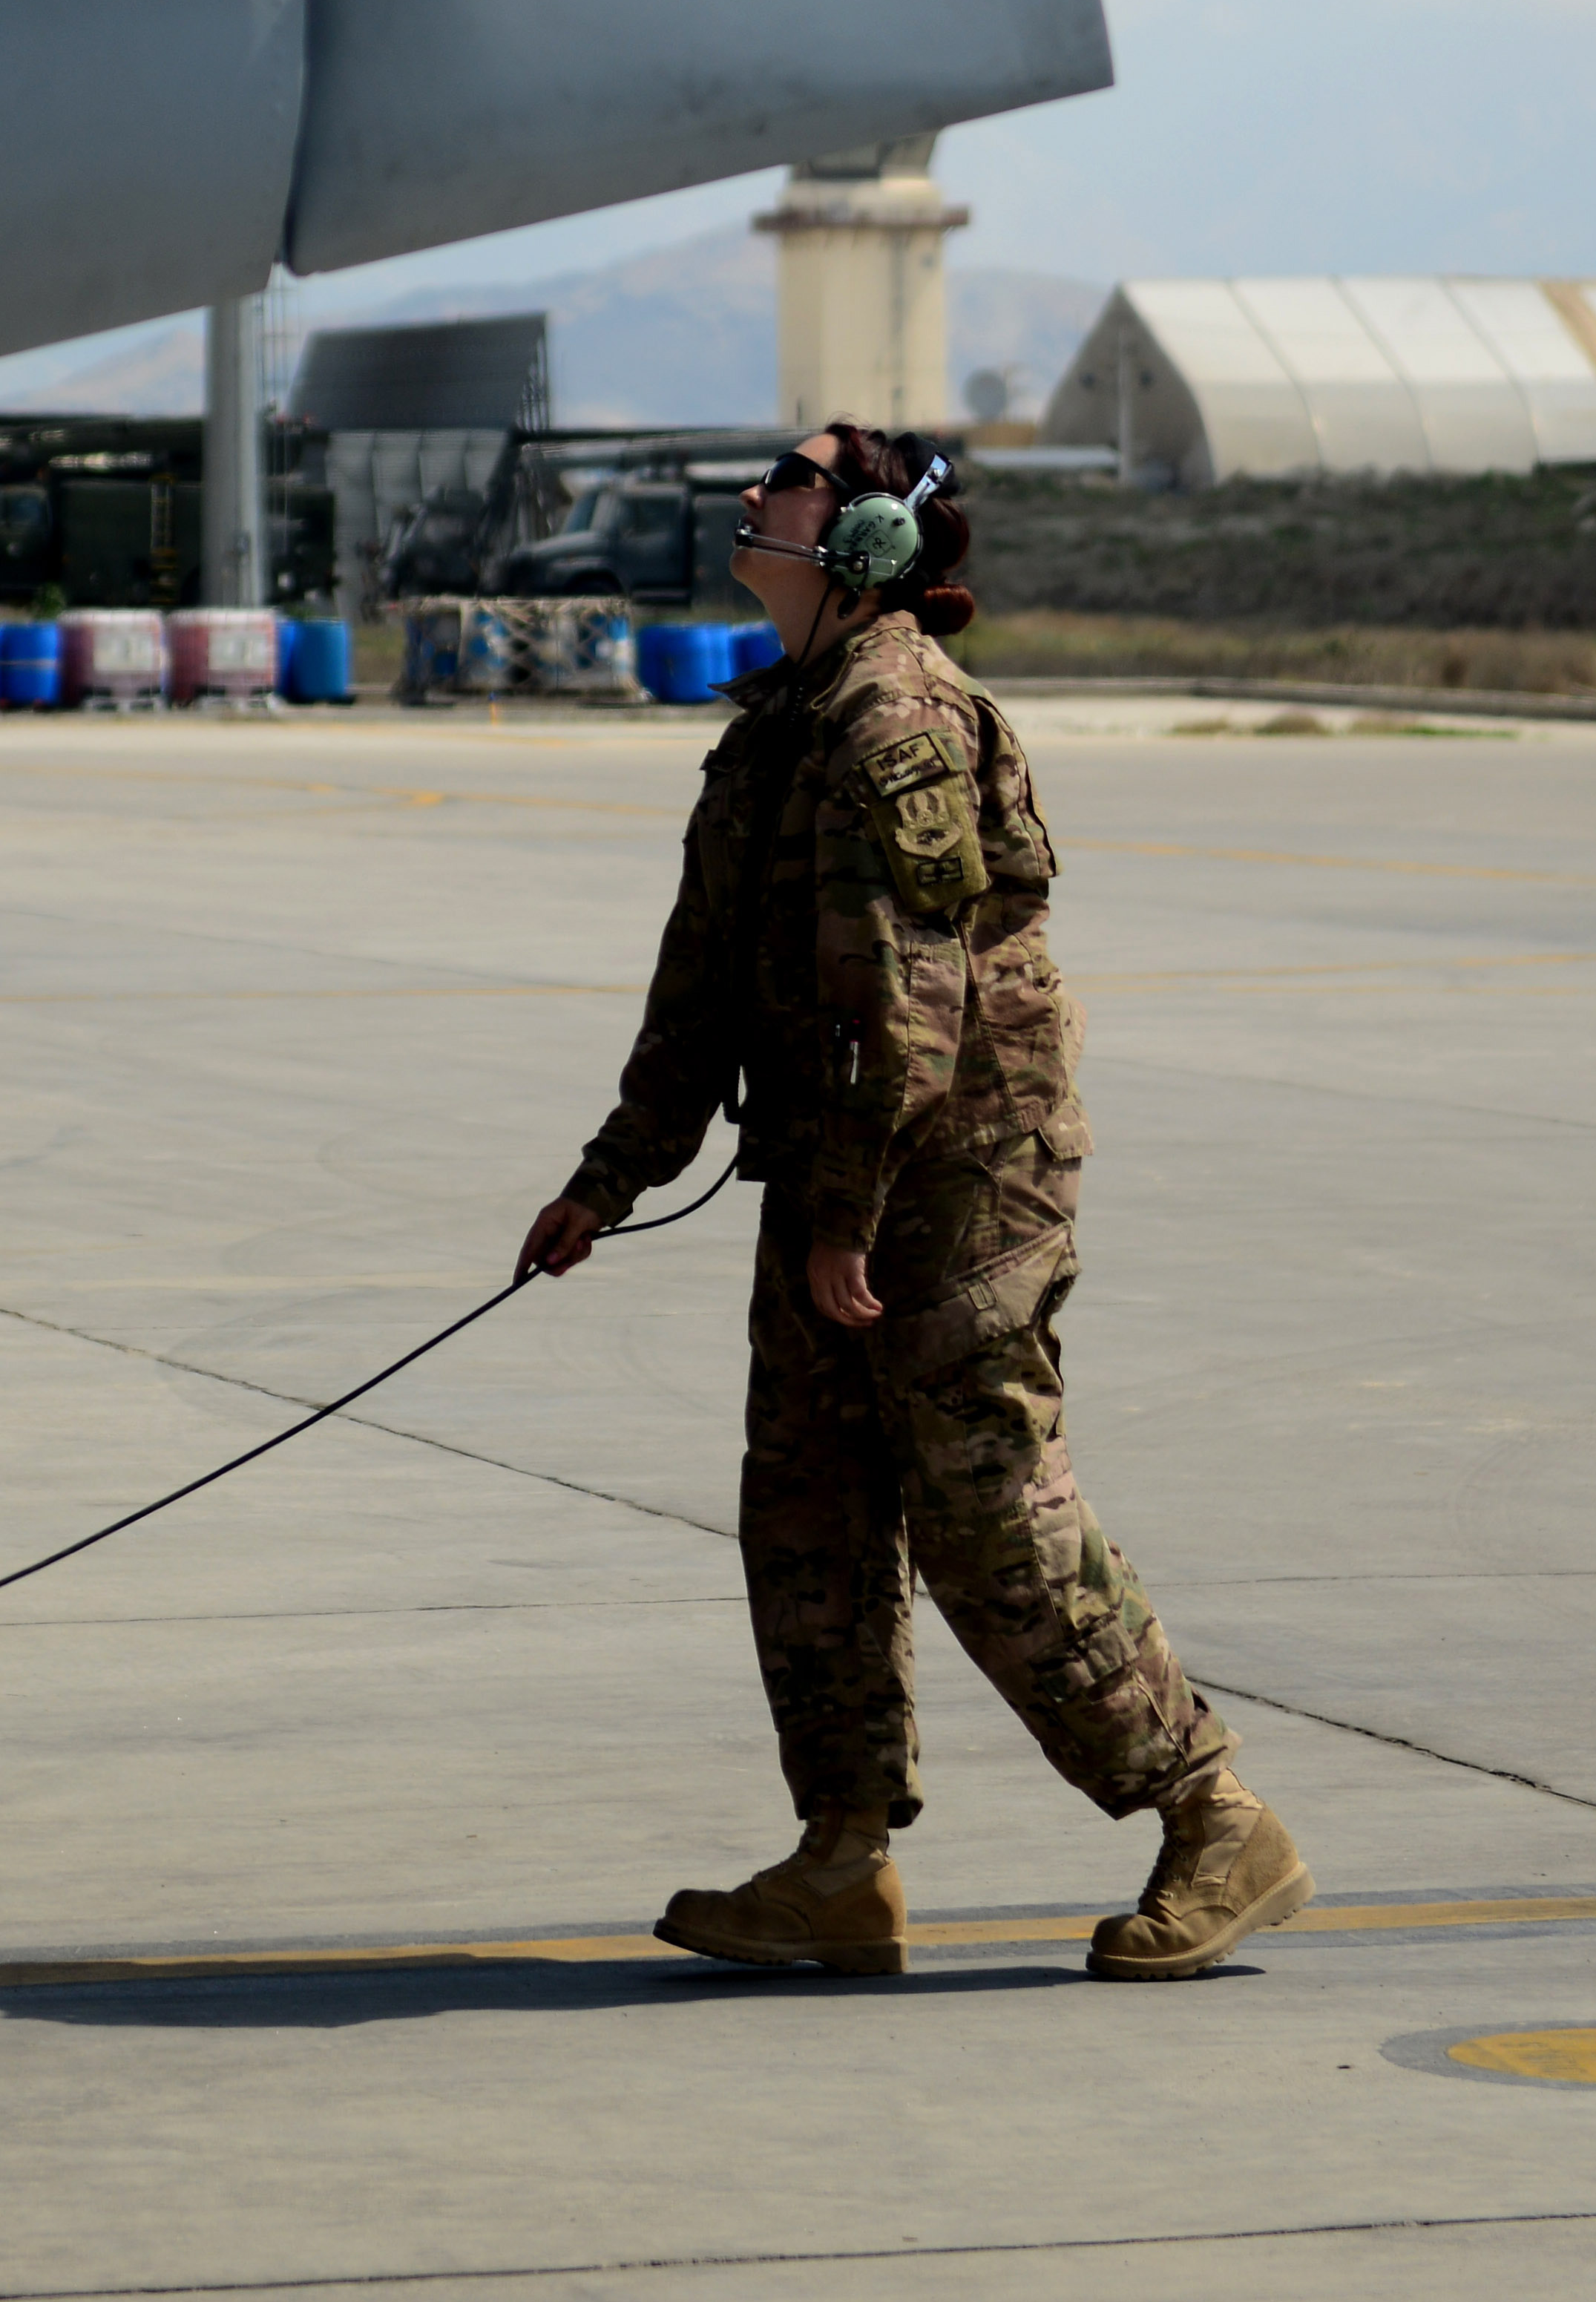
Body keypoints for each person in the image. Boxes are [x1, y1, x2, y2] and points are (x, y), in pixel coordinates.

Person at [517, 422, 1308, 1982]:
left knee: (981, 1508)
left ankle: (1213, 1817)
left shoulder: (897, 722)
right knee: (802, 1506)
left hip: (947, 1177)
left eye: (790, 477)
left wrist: (841, 1217)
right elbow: (701, 991)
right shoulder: (776, 730)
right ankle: (838, 1861)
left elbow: (912, 1008)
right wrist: (606, 1180)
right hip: (841, 1169)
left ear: (868, 536)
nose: (755, 493)